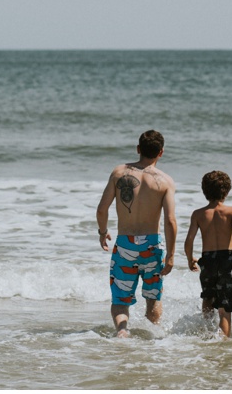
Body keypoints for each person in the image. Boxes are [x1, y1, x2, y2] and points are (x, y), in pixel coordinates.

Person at [96, 130, 178, 338]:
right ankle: (155, 337)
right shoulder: (165, 181)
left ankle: (122, 331)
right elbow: (170, 220)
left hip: (125, 244)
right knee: (153, 298)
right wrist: (171, 254)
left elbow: (101, 209)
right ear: (161, 152)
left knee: (120, 299)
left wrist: (103, 231)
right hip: (152, 245)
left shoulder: (119, 172)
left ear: (138, 149)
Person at [184, 170, 232, 338]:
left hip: (208, 261)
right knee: (225, 309)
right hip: (226, 261)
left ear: (204, 190)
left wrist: (190, 259)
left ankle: (206, 334)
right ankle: (222, 344)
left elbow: (189, 241)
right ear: (226, 192)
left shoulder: (198, 214)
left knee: (208, 300)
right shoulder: (230, 211)